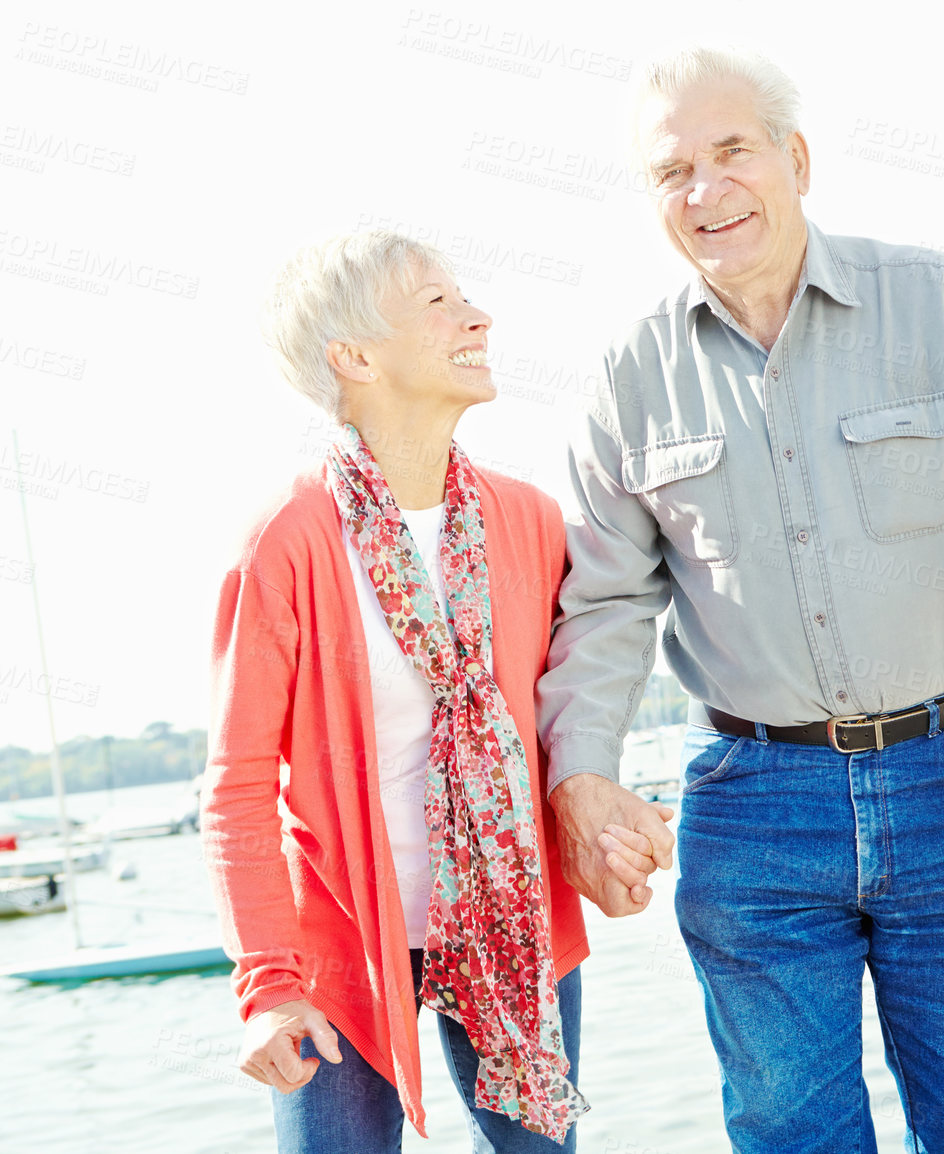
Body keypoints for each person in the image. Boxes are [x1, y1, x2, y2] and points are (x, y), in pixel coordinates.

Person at [538, 48, 944, 1153]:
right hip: (755, 807)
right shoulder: (626, 378)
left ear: (794, 159)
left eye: (731, 153)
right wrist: (581, 774)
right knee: (788, 1135)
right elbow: (604, 603)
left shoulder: (942, 304)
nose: (705, 191)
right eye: (672, 173)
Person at [203, 231, 629, 1152]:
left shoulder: (530, 519)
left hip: (512, 919)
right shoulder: (288, 539)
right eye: (437, 304)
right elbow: (235, 787)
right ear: (355, 358)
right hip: (343, 941)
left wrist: (601, 824)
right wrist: (268, 988)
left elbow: (570, 708)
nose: (478, 317)